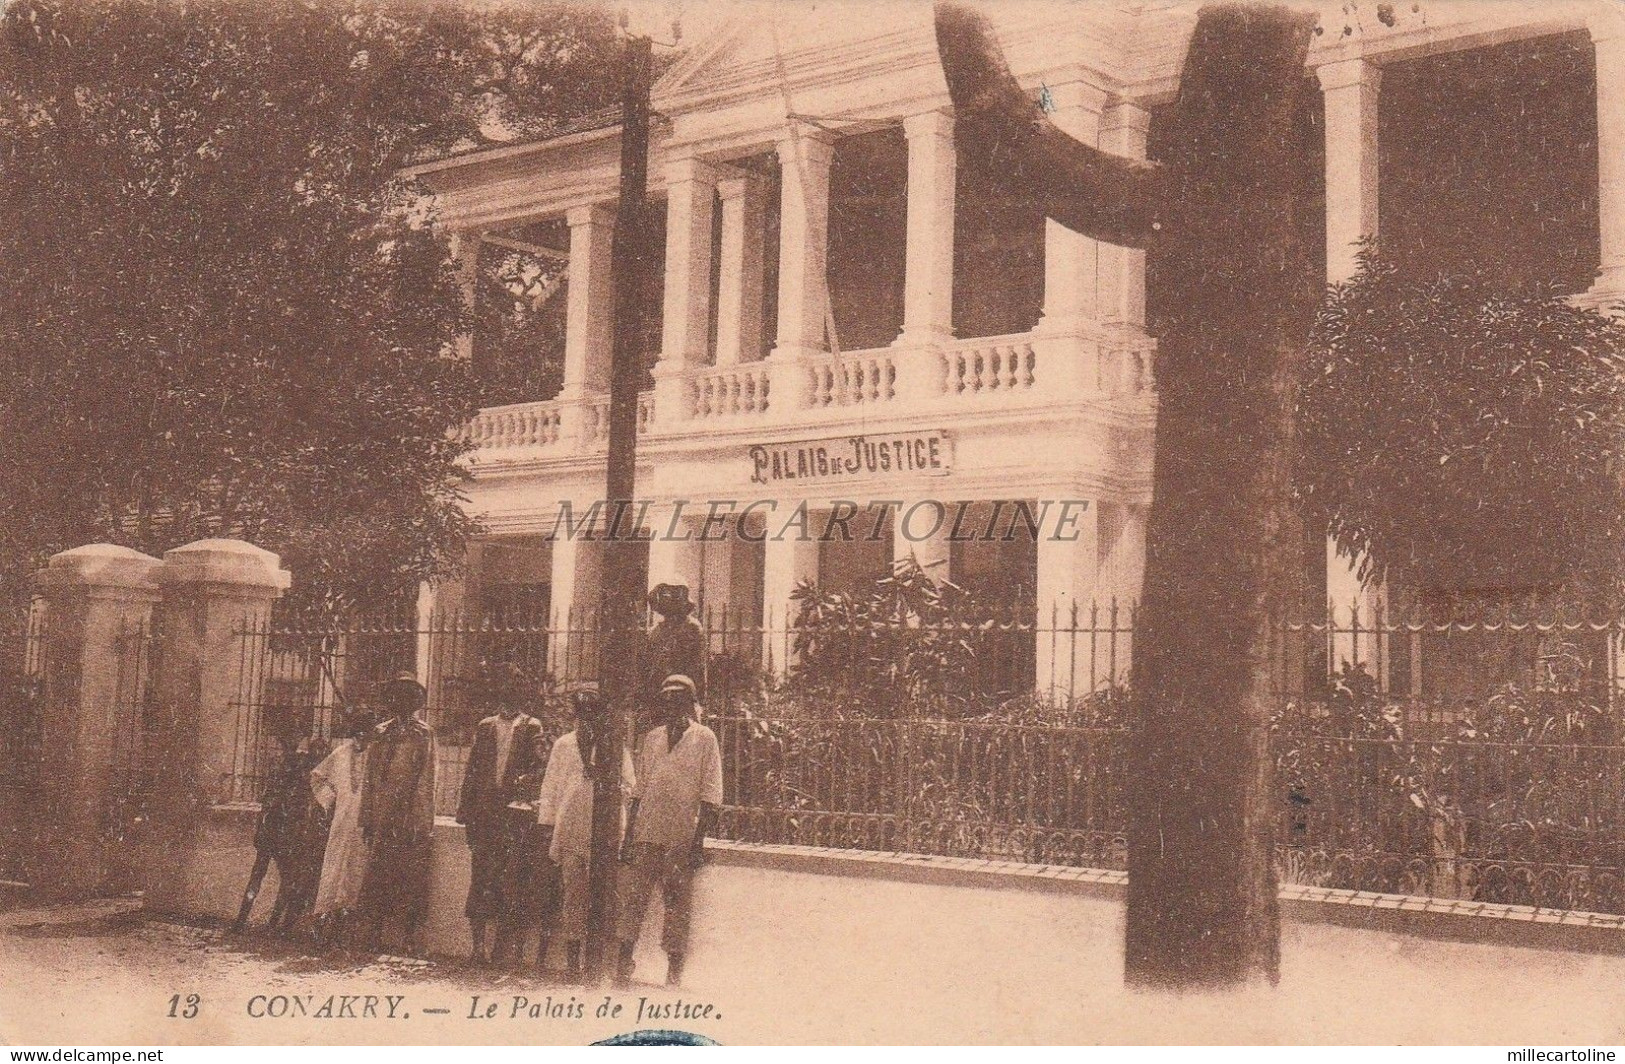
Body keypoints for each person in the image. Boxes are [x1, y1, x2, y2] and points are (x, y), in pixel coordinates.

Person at [615, 673, 721, 988]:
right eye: (667, 701)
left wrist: (697, 843)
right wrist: (629, 838)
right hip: (647, 833)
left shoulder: (705, 738)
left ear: (690, 704)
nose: (672, 707)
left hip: (680, 837)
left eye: (678, 701)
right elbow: (638, 792)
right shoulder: (652, 738)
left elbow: (711, 796)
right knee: (633, 900)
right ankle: (624, 962)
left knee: (677, 906)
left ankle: (674, 970)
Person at [537, 682, 634, 983]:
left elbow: (630, 786)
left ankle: (601, 963)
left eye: (593, 713)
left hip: (604, 831)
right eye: (583, 713)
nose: (587, 719)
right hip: (571, 829)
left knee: (606, 896)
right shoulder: (564, 745)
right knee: (573, 895)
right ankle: (572, 960)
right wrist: (547, 825)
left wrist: (610, 784)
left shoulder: (614, 746)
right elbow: (551, 787)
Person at [455, 663, 543, 967]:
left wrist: (525, 788)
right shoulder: (486, 726)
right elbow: (472, 771)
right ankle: (477, 948)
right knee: (480, 879)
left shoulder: (532, 726)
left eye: (516, 691)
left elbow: (537, 769)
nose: (511, 696)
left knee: (510, 882)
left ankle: (500, 951)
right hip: (484, 817)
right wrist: (465, 813)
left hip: (513, 819)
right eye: (506, 690)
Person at [357, 673, 437, 957]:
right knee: (378, 875)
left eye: (408, 696)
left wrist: (421, 819)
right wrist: (367, 817)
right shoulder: (380, 733)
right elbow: (370, 778)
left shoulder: (423, 734)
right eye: (397, 695)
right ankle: (374, 932)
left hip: (409, 816)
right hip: (382, 816)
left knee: (410, 878)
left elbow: (427, 779)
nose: (402, 701)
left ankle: (408, 937)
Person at [233, 719, 327, 935]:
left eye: (293, 739)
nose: (290, 744)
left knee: (282, 878)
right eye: (286, 740)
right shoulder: (281, 765)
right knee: (262, 876)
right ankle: (245, 920)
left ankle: (273, 924)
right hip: (275, 827)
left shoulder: (301, 763)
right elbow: (268, 798)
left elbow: (306, 790)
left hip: (286, 829)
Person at [309, 709, 375, 948]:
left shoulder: (375, 758)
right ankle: (321, 927)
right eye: (358, 735)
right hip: (340, 822)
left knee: (355, 874)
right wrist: (329, 802)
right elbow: (317, 777)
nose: (361, 740)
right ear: (352, 735)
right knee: (333, 870)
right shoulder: (339, 755)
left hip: (364, 826)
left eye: (366, 735)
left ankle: (343, 932)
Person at [643, 584, 707, 709]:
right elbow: (650, 661)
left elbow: (697, 664)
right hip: (660, 687)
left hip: (684, 686)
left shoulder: (692, 627)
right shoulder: (656, 630)